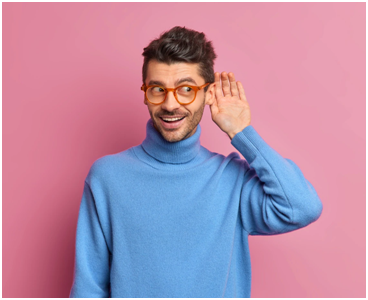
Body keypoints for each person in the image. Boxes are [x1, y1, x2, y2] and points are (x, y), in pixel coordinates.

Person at [69, 26, 323, 298]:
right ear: (145, 93)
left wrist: (241, 132)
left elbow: (302, 207)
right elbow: (88, 287)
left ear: (208, 93)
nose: (170, 103)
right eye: (158, 89)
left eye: (186, 89)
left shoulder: (232, 180)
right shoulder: (108, 177)